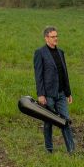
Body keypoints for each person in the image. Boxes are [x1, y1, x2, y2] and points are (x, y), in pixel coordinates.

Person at [33, 25, 75, 153]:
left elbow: (64, 73)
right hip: (48, 94)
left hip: (61, 94)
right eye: (53, 37)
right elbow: (38, 75)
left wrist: (68, 92)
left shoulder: (60, 52)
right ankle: (49, 149)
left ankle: (72, 150)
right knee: (48, 122)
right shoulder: (40, 53)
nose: (55, 39)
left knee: (65, 121)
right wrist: (41, 94)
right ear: (46, 38)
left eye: (56, 36)